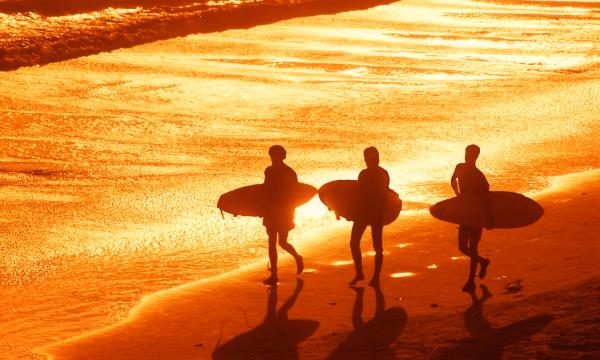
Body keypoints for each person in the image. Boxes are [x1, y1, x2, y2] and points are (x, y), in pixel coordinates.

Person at [451, 144, 492, 292]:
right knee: (462, 247)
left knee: (473, 248)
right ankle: (483, 261)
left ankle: (470, 281)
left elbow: (487, 197)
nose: (467, 156)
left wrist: (488, 219)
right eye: (466, 153)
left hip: (476, 216)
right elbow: (453, 180)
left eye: (470, 154)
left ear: (476, 156)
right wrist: (457, 194)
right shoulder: (460, 167)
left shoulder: (478, 176)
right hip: (464, 213)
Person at [262, 145, 303, 285]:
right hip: (271, 211)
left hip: (284, 211)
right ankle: (274, 274)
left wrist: (291, 214)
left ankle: (297, 257)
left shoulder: (289, 173)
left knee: (283, 242)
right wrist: (255, 210)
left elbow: (294, 194)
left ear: (283, 156)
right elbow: (265, 191)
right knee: (271, 242)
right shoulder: (268, 171)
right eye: (271, 154)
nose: (272, 157)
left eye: (275, 155)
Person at [349, 146, 390, 287]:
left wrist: (352, 213)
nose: (366, 160)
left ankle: (368, 275)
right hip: (376, 212)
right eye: (366, 158)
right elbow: (387, 193)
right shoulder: (384, 173)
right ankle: (369, 276)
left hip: (366, 212)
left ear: (374, 158)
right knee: (374, 246)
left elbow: (359, 195)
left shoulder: (365, 174)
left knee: (358, 243)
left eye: (368, 158)